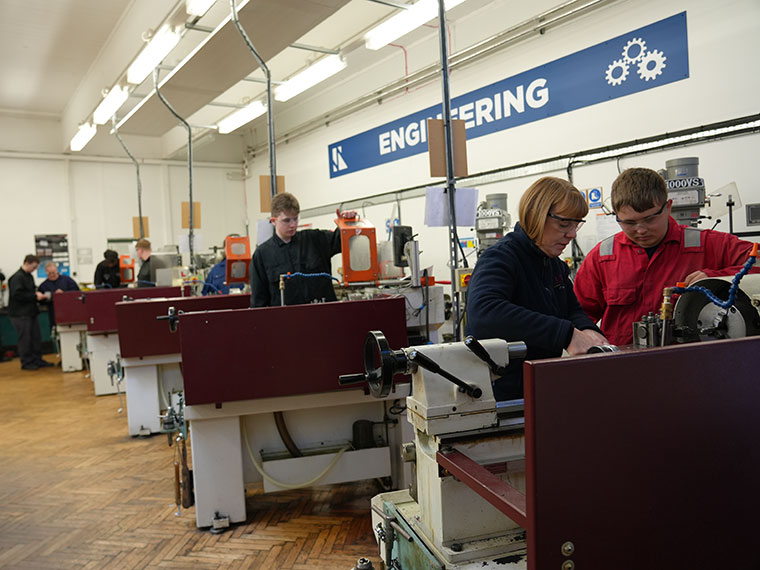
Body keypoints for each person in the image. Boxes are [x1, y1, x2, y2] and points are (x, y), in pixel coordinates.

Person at [574, 167, 760, 346]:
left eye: (649, 219)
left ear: (668, 207)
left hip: (692, 364)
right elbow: (578, 313)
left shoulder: (707, 244)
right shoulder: (603, 257)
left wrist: (718, 278)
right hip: (624, 366)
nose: (640, 230)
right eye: (629, 222)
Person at [466, 177, 608, 401]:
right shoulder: (502, 257)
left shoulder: (553, 264)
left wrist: (588, 331)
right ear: (536, 216)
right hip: (500, 396)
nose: (572, 234)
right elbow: (486, 311)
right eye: (564, 225)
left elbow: (571, 309)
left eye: (576, 224)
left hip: (539, 388)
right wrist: (565, 334)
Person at [251, 193, 354, 307]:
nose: (293, 225)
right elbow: (259, 301)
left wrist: (348, 223)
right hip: (286, 321)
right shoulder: (262, 255)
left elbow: (342, 240)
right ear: (273, 221)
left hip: (323, 317)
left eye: (295, 219)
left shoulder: (316, 239)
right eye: (286, 220)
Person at [8, 255, 54, 370]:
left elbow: (31, 290)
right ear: (27, 263)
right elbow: (17, 294)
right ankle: (27, 362)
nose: (34, 270)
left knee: (35, 337)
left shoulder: (28, 277)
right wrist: (34, 296)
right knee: (25, 339)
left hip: (30, 312)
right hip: (20, 314)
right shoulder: (17, 278)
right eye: (33, 267)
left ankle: (37, 359)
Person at [38, 262, 80, 328]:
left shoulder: (68, 281)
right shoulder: (43, 286)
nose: (52, 275)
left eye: (54, 272)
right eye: (49, 273)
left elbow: (77, 293)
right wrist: (52, 296)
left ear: (57, 270)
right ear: (46, 272)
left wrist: (64, 294)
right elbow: (41, 301)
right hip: (53, 314)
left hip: (70, 312)